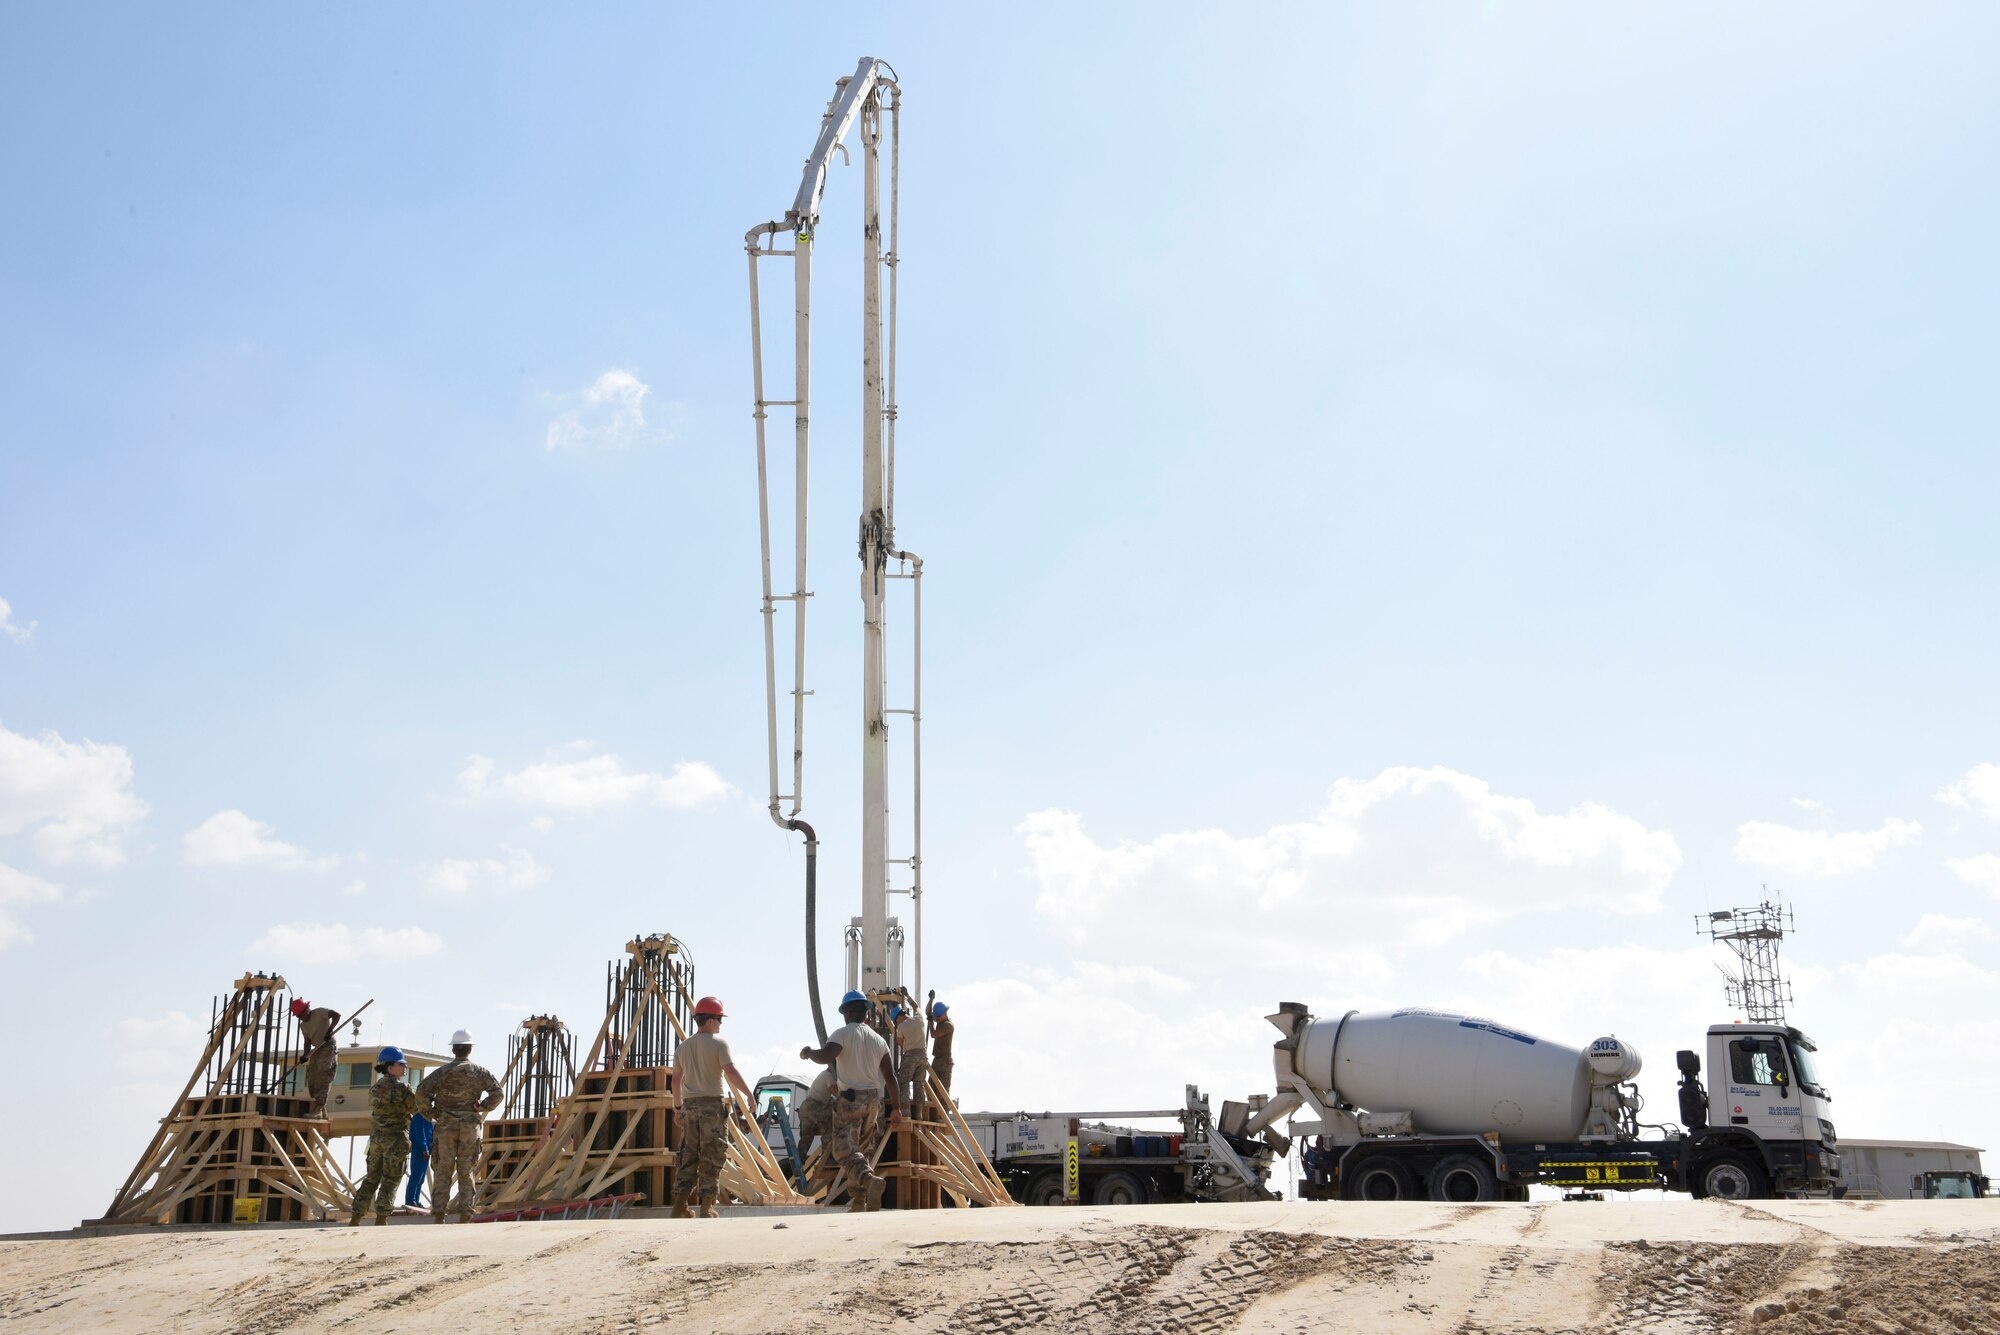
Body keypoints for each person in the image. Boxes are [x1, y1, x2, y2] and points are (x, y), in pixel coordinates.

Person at [800, 990, 900, 1212]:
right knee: (862, 1151)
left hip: (851, 1100)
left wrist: (808, 1052)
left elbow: (825, 1056)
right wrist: (897, 1108)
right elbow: (891, 1077)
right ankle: (859, 1201)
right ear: (866, 1013)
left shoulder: (843, 1034)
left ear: (846, 1013)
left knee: (843, 1149)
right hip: (874, 1101)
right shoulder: (879, 1040)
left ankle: (869, 1180)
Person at [669, 995, 754, 1220]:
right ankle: (706, 1207)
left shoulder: (683, 1047)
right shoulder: (719, 1044)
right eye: (719, 1019)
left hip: (689, 1107)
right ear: (710, 1020)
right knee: (712, 1155)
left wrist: (677, 1108)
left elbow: (675, 1080)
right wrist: (749, 1095)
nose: (721, 1023)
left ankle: (680, 1205)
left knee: (688, 1155)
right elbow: (731, 1071)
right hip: (711, 1107)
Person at [416, 1028, 502, 1223]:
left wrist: (431, 1114)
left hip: (445, 1126)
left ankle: (439, 1213)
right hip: (470, 1126)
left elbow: (421, 1093)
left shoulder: (441, 1073)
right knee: (466, 1169)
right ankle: (465, 1212)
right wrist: (483, 1107)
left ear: (453, 1050)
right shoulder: (480, 1072)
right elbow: (498, 1093)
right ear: (469, 1049)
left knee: (443, 1168)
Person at [349, 1047, 422, 1226]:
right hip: (395, 1139)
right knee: (391, 1179)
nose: (405, 1067)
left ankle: (356, 1217)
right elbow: (416, 1108)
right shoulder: (403, 1088)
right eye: (401, 1064)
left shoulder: (375, 1088)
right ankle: (381, 1218)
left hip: (375, 1139)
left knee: (371, 1178)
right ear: (390, 1067)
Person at [290, 997, 342, 1119]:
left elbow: (336, 1015)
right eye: (298, 1017)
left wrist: (330, 1031)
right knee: (312, 1079)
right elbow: (307, 1042)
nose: (301, 1018)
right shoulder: (303, 1026)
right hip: (316, 1050)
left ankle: (318, 1109)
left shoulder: (319, 1012)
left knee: (322, 1077)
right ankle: (320, 1111)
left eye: (301, 1015)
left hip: (328, 1046)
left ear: (307, 1009)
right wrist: (305, 1055)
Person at [891, 1003, 929, 1114]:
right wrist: (907, 996)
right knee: (919, 1084)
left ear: (898, 1017)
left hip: (910, 1056)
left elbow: (899, 1043)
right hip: (923, 1056)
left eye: (896, 1021)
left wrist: (897, 1030)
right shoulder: (919, 1018)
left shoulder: (902, 1026)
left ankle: (906, 1112)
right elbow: (916, 1006)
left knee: (904, 1082)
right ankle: (919, 1113)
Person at [404, 1109, 435, 1210]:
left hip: (425, 1149)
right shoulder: (419, 1115)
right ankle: (410, 1200)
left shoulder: (427, 1116)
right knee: (416, 1175)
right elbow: (420, 1133)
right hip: (419, 1149)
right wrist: (424, 1148)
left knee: (420, 1178)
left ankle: (415, 1199)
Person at [929, 1000, 955, 1094]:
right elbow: (928, 1013)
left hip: (945, 1061)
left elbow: (934, 1034)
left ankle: (943, 1108)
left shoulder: (948, 1025)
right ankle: (934, 1109)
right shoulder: (940, 1022)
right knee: (930, 1089)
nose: (937, 1018)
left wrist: (931, 1025)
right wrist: (931, 1000)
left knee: (942, 1092)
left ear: (944, 1014)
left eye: (938, 1017)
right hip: (937, 1060)